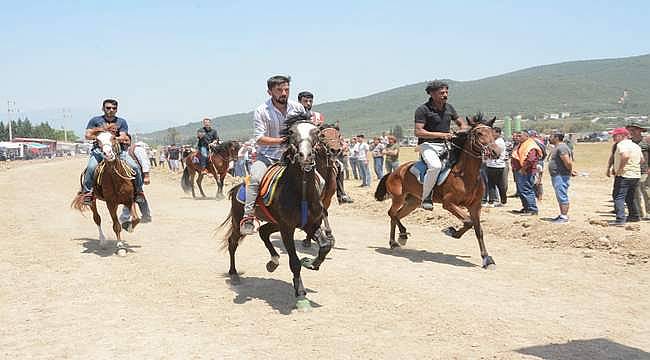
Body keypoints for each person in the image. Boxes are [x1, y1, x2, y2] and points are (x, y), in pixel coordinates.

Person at [240, 75, 306, 235]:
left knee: (321, 179)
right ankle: (248, 217)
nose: (284, 93)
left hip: (294, 157)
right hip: (268, 157)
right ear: (270, 92)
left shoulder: (298, 108)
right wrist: (282, 140)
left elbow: (305, 127)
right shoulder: (261, 111)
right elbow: (260, 138)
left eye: (286, 89)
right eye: (279, 90)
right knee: (254, 179)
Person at [414, 81, 467, 210]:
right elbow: (418, 131)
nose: (445, 95)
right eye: (442, 92)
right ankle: (426, 197)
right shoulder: (422, 109)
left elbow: (463, 124)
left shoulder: (449, 108)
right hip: (427, 145)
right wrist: (441, 135)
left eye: (446, 92)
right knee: (435, 166)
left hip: (445, 145)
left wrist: (462, 130)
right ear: (432, 93)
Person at [81, 99, 145, 205]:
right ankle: (87, 193)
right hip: (99, 151)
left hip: (118, 151)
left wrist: (112, 138)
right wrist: (101, 136)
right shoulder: (95, 120)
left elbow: (123, 136)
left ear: (116, 110)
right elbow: (87, 135)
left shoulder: (121, 122)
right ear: (103, 108)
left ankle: (139, 191)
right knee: (91, 168)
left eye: (114, 108)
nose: (111, 110)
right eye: (108, 108)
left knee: (135, 167)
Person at [298, 90, 352, 203]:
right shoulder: (295, 116)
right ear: (299, 102)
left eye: (310, 101)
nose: (308, 103)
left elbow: (322, 132)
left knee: (339, 165)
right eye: (305, 101)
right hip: (302, 147)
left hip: (317, 148)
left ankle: (341, 193)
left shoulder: (318, 116)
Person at [606, 127, 643, 225]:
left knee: (618, 196)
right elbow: (642, 160)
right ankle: (634, 216)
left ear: (622, 136)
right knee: (630, 197)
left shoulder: (621, 144)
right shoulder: (636, 146)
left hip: (624, 175)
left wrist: (621, 168)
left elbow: (625, 156)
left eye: (615, 135)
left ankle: (620, 219)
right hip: (635, 175)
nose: (613, 137)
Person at [119, 134, 152, 223]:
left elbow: (144, 162)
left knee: (130, 195)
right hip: (125, 177)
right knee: (138, 195)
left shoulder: (137, 149)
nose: (124, 142)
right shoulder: (119, 152)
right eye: (122, 141)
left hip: (137, 176)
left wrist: (146, 176)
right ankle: (146, 215)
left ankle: (124, 218)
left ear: (130, 141)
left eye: (126, 140)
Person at [511, 130, 542, 215]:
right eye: (517, 136)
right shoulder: (522, 144)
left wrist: (523, 169)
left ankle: (532, 209)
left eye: (520, 136)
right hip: (519, 171)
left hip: (526, 171)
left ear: (526, 136)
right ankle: (526, 208)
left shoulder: (530, 146)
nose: (518, 137)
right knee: (521, 190)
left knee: (526, 190)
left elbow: (531, 160)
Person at [548, 132, 577, 223]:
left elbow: (568, 162)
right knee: (559, 195)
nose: (549, 138)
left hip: (561, 175)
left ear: (556, 137)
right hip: (557, 175)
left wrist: (569, 170)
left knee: (562, 195)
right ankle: (562, 214)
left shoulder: (562, 148)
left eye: (551, 136)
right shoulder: (557, 147)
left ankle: (564, 216)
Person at [625, 123, 649, 219]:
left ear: (640, 130)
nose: (632, 132)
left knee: (646, 191)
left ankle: (648, 212)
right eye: (630, 130)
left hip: (644, 170)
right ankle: (638, 213)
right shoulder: (628, 143)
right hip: (632, 170)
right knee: (634, 193)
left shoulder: (646, 141)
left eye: (634, 129)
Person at [485, 127, 507, 206]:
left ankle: (494, 200)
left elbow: (494, 154)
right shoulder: (495, 141)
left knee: (494, 184)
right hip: (492, 165)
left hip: (496, 165)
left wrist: (487, 155)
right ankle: (500, 200)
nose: (491, 134)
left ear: (498, 133)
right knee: (494, 183)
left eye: (493, 132)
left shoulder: (499, 142)